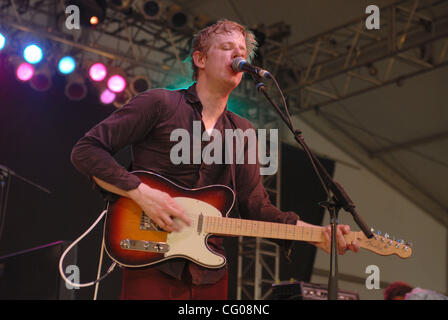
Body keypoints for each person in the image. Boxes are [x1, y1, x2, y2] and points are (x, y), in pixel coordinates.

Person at [71, 19, 359, 300]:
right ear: (200, 59)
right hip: (151, 259)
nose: (237, 55)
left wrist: (318, 234)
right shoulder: (160, 104)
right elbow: (87, 150)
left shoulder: (243, 131)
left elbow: (257, 206)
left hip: (209, 272)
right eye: (226, 47)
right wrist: (142, 193)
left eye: (243, 52)